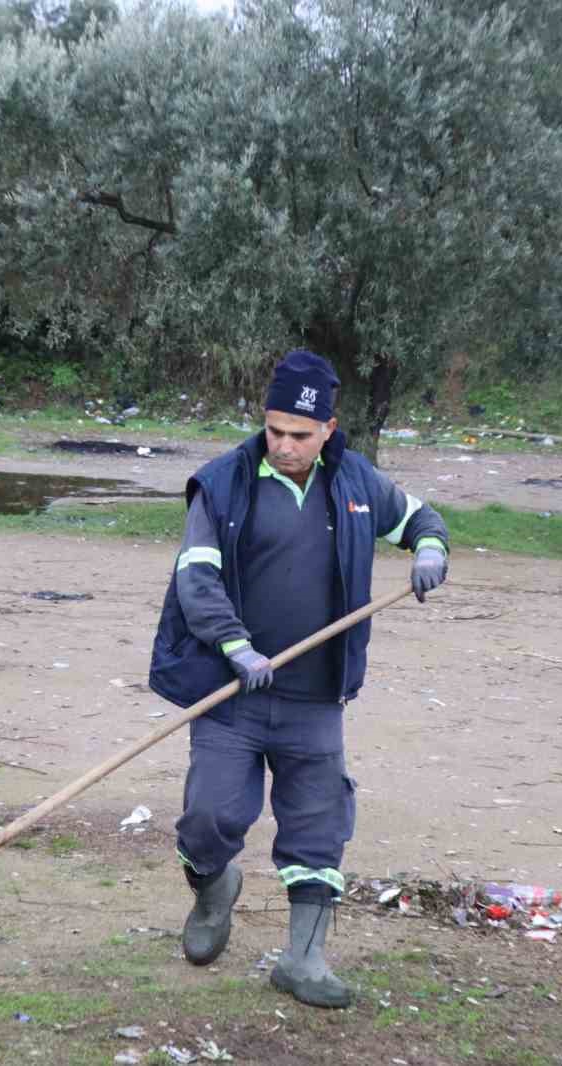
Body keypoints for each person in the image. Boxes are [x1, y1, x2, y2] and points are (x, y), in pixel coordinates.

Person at [147, 349, 449, 1009]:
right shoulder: (223, 484)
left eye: (300, 436)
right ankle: (214, 886)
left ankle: (303, 959)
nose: (284, 445)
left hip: (316, 698)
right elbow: (194, 578)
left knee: (317, 825)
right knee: (208, 818)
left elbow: (421, 518)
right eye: (275, 430)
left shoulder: (356, 482)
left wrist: (430, 548)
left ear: (329, 430)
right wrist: (236, 646)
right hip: (232, 696)